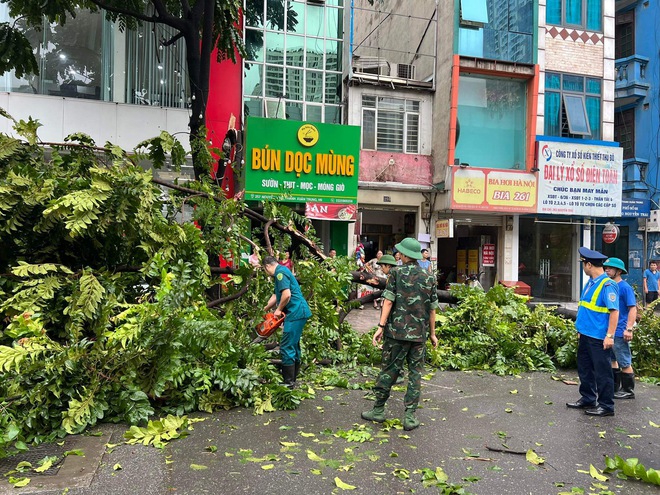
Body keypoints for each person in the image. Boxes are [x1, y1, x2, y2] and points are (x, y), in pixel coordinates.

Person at [362, 237, 439, 431]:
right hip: (419, 335)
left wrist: (380, 326)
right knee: (415, 374)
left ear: (404, 255)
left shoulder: (395, 274)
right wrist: (432, 334)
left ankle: (378, 410)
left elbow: (387, 301)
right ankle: (410, 417)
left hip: (396, 333)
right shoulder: (429, 277)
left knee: (389, 370)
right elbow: (432, 309)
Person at [566, 247, 619, 417]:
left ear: (589, 265)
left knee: (603, 372)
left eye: (583, 264)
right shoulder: (590, 283)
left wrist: (609, 336)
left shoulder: (608, 285)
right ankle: (588, 398)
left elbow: (614, 312)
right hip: (586, 334)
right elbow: (586, 309)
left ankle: (606, 406)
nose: (583, 267)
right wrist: (580, 330)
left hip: (599, 337)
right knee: (585, 369)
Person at [262, 256, 311, 388]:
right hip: (298, 311)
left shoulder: (280, 273)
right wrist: (264, 309)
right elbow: (275, 295)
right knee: (293, 344)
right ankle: (292, 380)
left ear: (267, 267)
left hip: (296, 312)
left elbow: (287, 295)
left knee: (286, 344)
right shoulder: (282, 270)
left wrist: (278, 310)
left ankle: (289, 383)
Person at [603, 257, 637, 400]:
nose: (607, 270)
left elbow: (633, 309)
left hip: (620, 330)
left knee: (624, 361)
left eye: (610, 268)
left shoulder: (625, 287)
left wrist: (629, 328)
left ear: (618, 271)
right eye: (606, 268)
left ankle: (628, 391)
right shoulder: (608, 286)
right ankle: (615, 387)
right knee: (612, 360)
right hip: (610, 331)